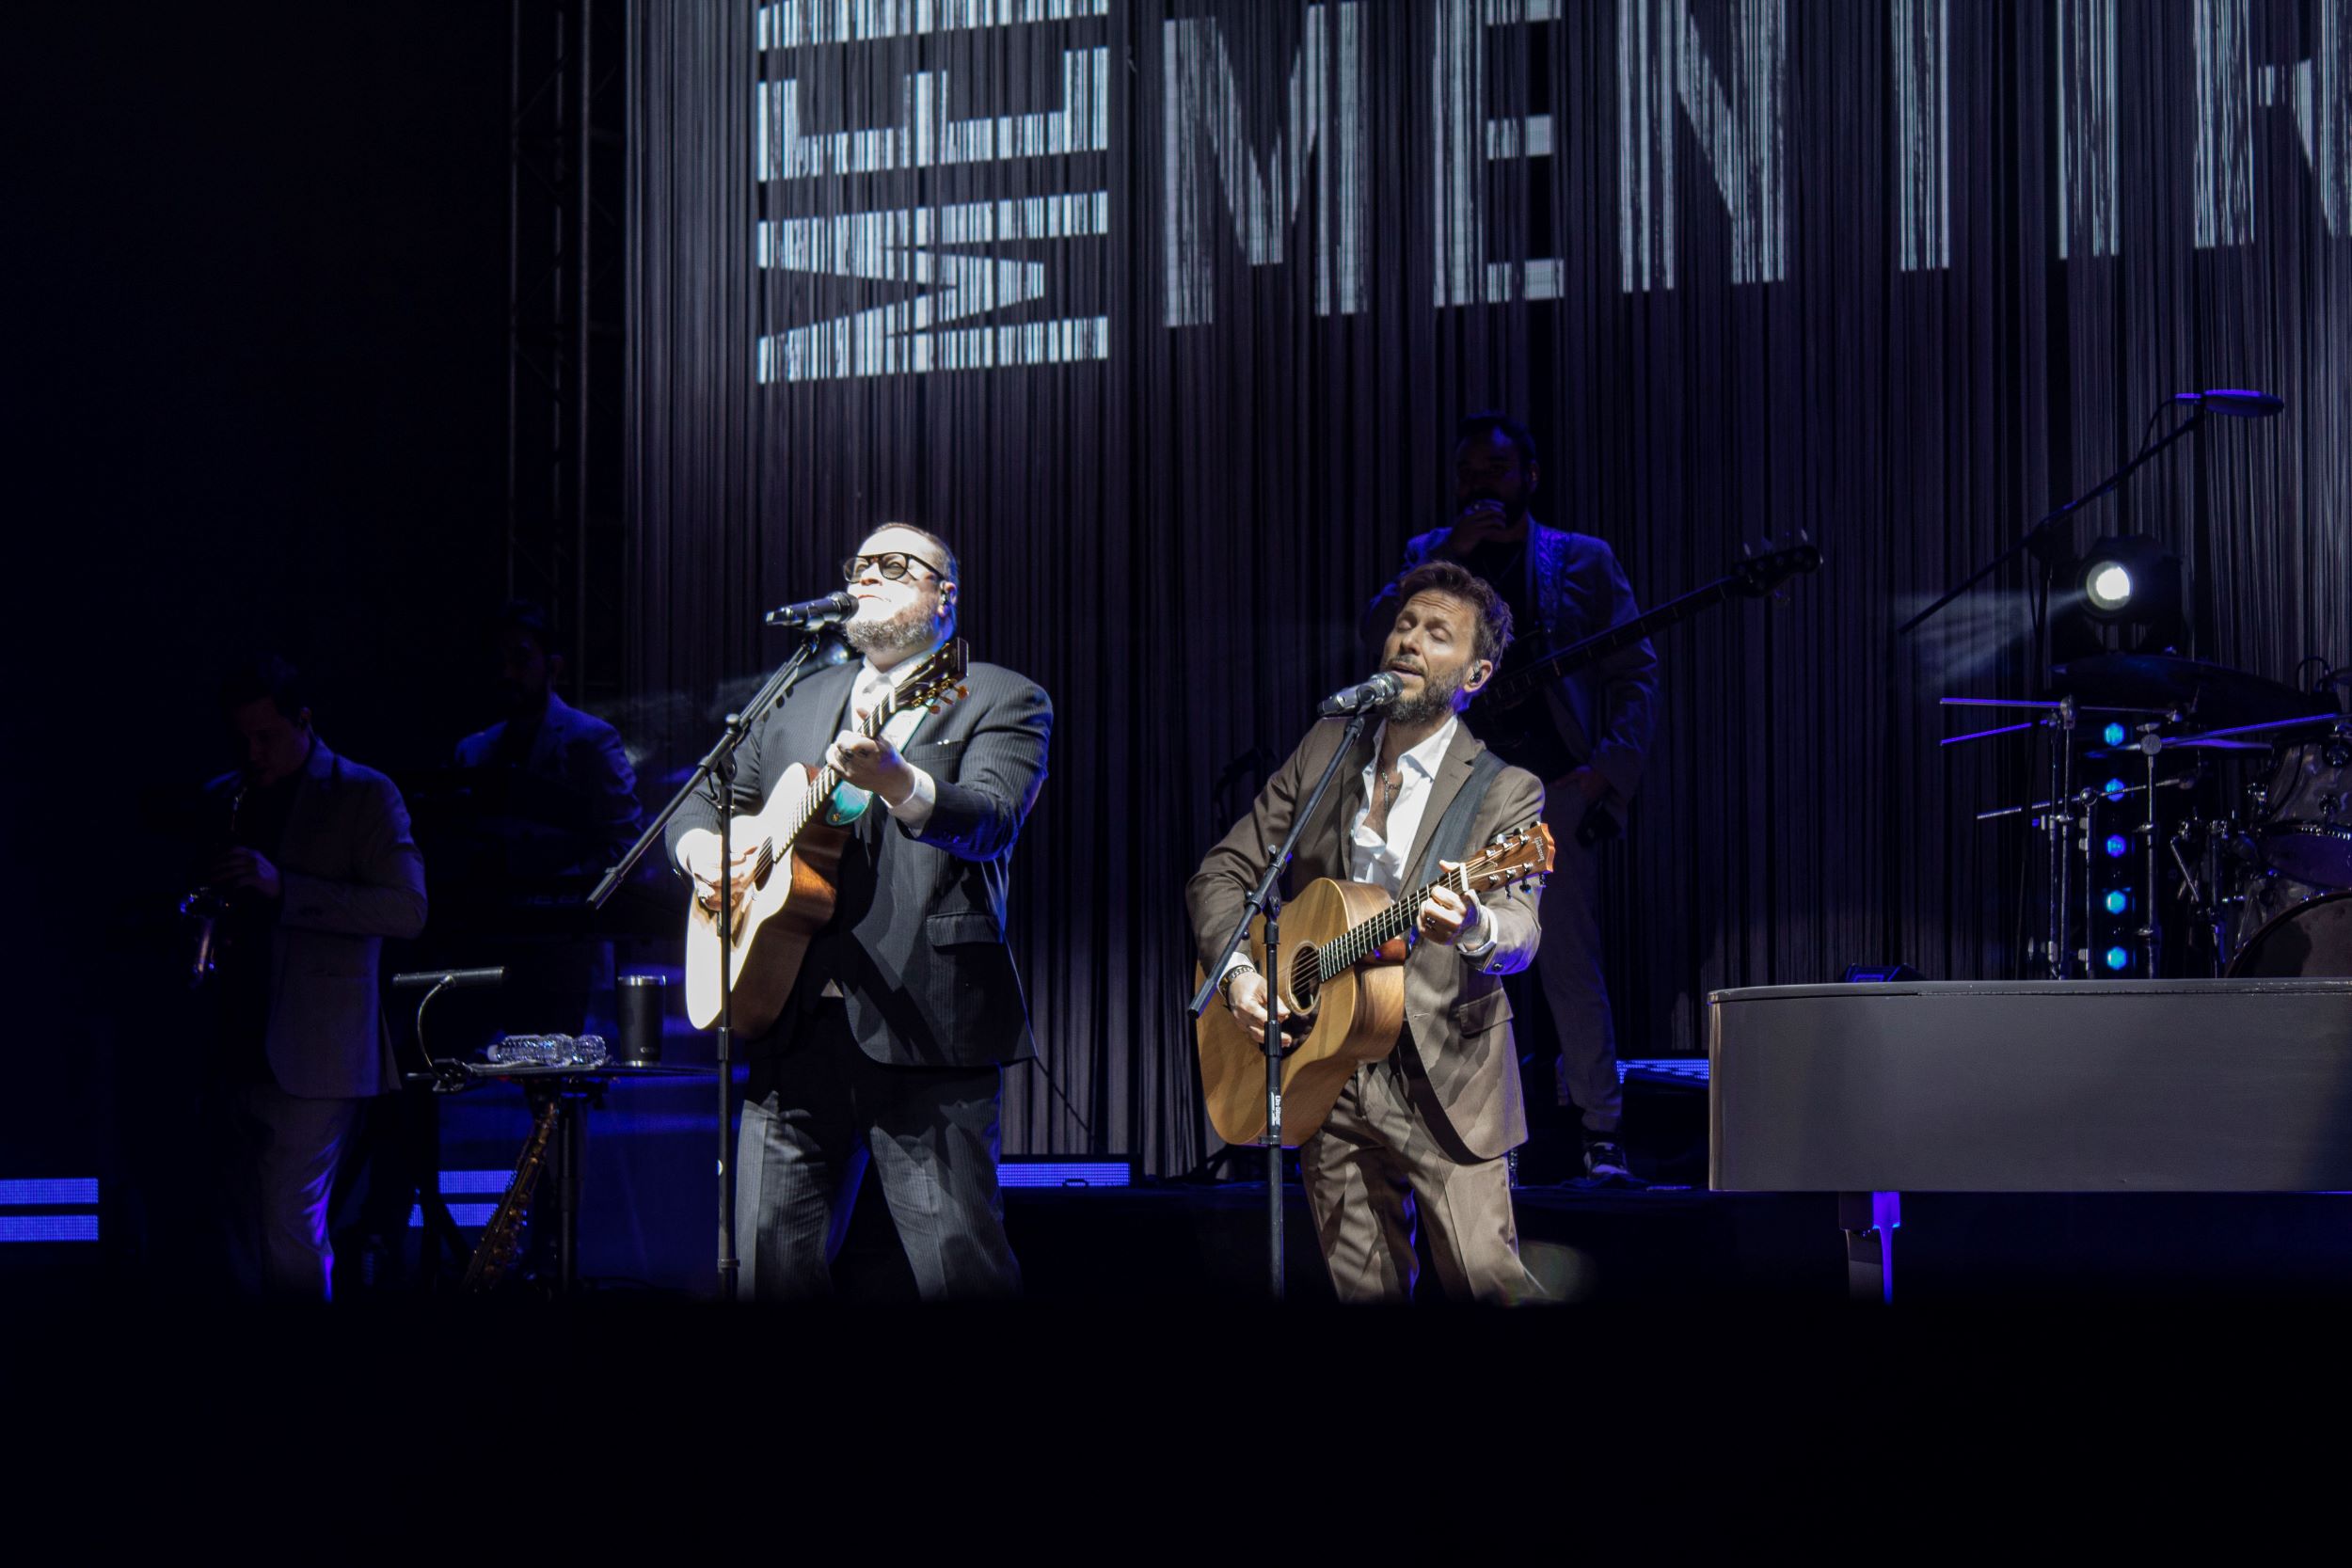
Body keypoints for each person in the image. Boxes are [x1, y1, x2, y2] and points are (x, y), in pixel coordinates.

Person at [667, 524, 1051, 1300]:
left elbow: (992, 817)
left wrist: (901, 781)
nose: (868, 574)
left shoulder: (1002, 695)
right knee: (769, 1267)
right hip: (790, 1017)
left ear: (946, 594)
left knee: (959, 1268)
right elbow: (705, 798)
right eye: (860, 564)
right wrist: (703, 850)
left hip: (926, 1026)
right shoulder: (799, 695)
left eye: (895, 565)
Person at [1191, 562, 1545, 1303]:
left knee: (1489, 1283)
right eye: (1405, 625)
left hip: (1445, 1074)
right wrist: (1241, 975)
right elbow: (1223, 872)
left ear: (1476, 673)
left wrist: (1476, 923)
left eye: (1437, 633)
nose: (1409, 640)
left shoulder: (1506, 790)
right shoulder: (1327, 750)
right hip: (1325, 1065)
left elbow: (1521, 927)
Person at [1363, 412, 1659, 1182]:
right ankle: (1480, 1137)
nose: (1480, 484)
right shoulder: (1429, 557)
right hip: (1456, 789)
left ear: (1529, 475)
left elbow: (1637, 670)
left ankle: (1601, 1130)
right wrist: (1449, 561)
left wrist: (1607, 771)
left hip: (1551, 789)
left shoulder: (1580, 561)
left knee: (1564, 959)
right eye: (1468, 472)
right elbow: (1377, 640)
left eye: (1495, 470)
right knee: (1453, 971)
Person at [199, 657, 427, 1297]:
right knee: (239, 1231)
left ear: (304, 721)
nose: (252, 752)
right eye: (240, 738)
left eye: (266, 737)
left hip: (317, 1048)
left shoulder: (364, 793)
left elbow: (407, 909)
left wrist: (285, 889)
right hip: (231, 1042)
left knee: (288, 1227)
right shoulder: (225, 796)